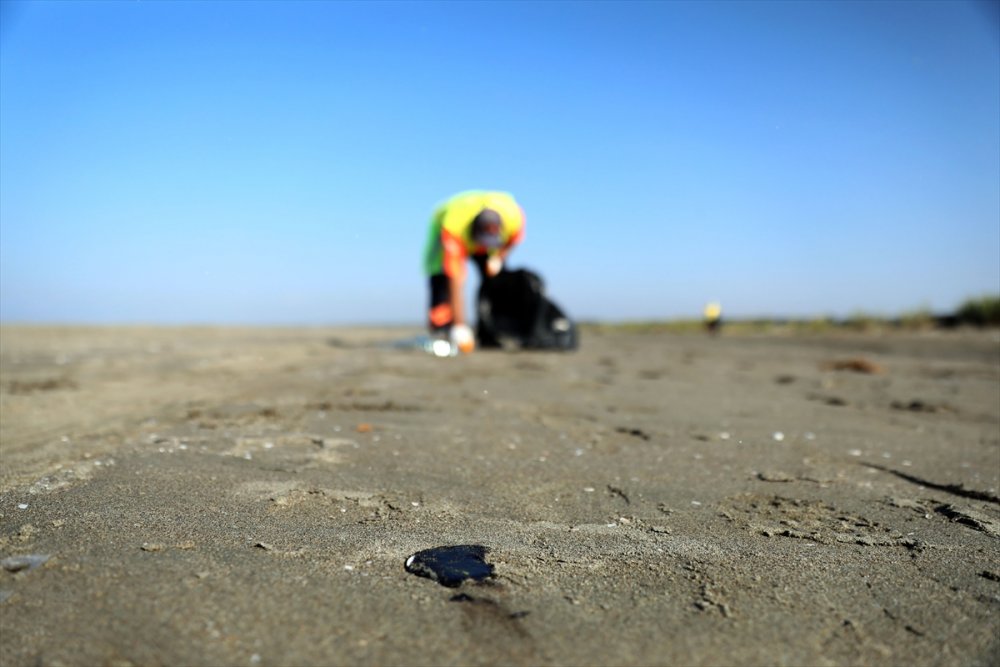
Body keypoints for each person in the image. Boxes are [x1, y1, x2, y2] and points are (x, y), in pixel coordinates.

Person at [423, 190, 526, 353]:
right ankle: (441, 330)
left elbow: (513, 241)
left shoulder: (514, 217)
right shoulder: (454, 225)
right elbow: (455, 277)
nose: (482, 247)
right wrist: (460, 326)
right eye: (481, 241)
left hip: (489, 233)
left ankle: (490, 331)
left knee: (495, 279)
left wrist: (498, 259)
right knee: (440, 276)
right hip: (446, 229)